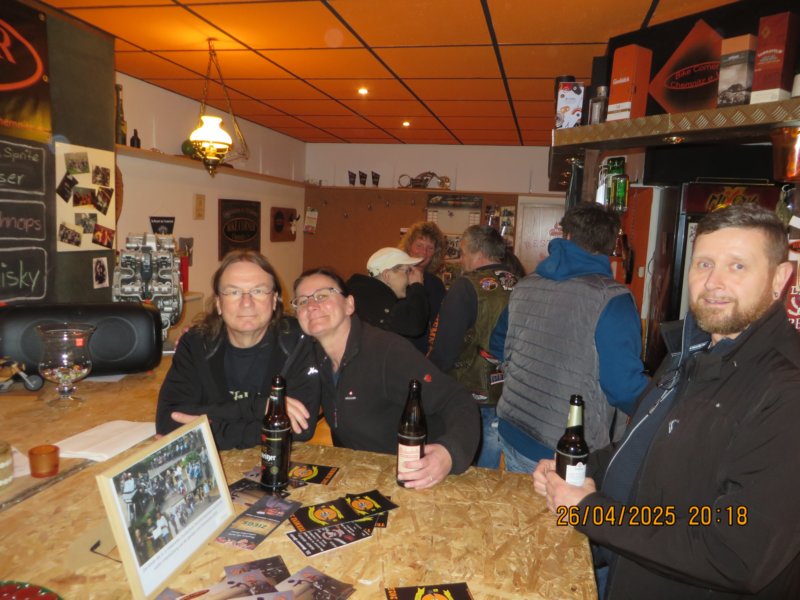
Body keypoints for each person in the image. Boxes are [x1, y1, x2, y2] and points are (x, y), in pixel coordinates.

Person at [533, 204, 800, 599]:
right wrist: (577, 469)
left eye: (737, 266)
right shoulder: (691, 352)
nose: (713, 282)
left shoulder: (786, 390)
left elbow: (736, 553)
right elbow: (642, 446)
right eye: (704, 264)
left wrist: (591, 510)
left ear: (779, 279)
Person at [284, 267, 480, 488]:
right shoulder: (314, 358)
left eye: (322, 295)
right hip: (368, 480)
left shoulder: (387, 351)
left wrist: (449, 453)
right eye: (302, 301)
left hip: (423, 478)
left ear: (349, 304)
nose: (311, 305)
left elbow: (458, 399)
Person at [496, 203, 649, 473]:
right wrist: (664, 401)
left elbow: (498, 346)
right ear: (611, 245)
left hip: (513, 427)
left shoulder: (525, 285)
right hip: (564, 449)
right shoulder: (611, 299)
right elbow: (623, 387)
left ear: (565, 235)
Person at [155, 250, 318, 450]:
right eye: (233, 292)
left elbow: (300, 428)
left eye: (258, 291)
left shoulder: (297, 341)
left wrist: (210, 430)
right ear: (219, 303)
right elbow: (169, 421)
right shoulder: (196, 344)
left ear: (274, 300)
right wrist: (259, 407)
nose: (246, 302)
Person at [428, 225, 518, 469]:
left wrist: (429, 377)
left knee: (473, 465)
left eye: (463, 252)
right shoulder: (522, 283)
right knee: (496, 461)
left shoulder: (466, 287)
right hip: (513, 390)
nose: (461, 259)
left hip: (471, 390)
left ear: (478, 252)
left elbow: (445, 348)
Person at [345, 247, 429, 341]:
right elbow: (414, 325)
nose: (410, 279)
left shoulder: (365, 293)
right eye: (406, 271)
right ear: (387, 275)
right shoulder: (374, 301)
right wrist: (417, 285)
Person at [399, 222, 448, 353]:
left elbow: (439, 324)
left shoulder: (436, 284)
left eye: (430, 248)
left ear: (435, 253)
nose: (423, 253)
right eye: (419, 245)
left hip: (424, 355)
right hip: (397, 352)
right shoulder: (396, 278)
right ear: (409, 246)